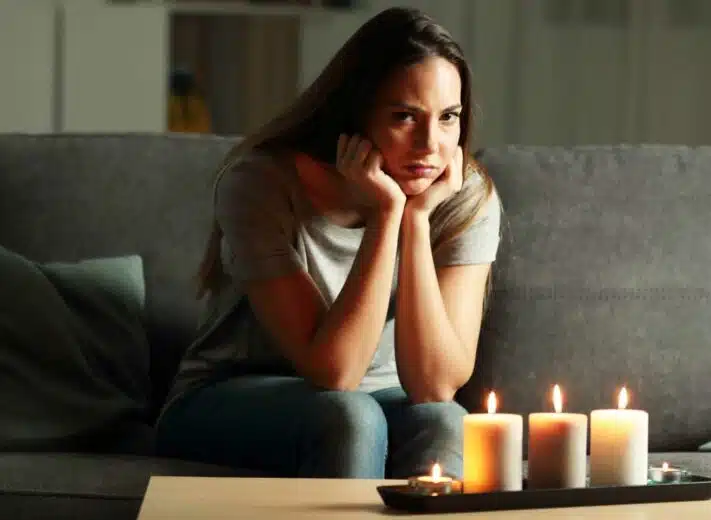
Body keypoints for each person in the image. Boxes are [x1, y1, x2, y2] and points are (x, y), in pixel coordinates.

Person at [155, 6, 501, 480]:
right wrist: (386, 216)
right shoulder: (260, 184)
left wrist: (416, 223)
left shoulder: (467, 197)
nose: (430, 144)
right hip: (231, 395)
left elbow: (435, 384)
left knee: (448, 422)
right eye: (405, 116)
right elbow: (335, 374)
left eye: (448, 118)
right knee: (348, 416)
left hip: (381, 401)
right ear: (354, 116)